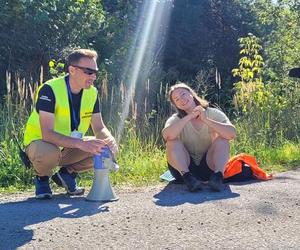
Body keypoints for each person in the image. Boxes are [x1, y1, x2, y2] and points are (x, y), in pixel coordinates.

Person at [23, 49, 118, 199]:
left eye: (95, 72)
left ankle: (67, 174)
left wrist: (109, 139)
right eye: (89, 71)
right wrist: (80, 143)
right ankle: (42, 177)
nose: (93, 76)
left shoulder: (92, 93)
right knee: (48, 153)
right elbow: (47, 133)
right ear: (72, 70)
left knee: (103, 148)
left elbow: (99, 128)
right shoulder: (50, 89)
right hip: (42, 143)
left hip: (69, 146)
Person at [162, 82, 236, 192]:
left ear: (191, 94)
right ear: (176, 105)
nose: (181, 99)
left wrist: (205, 119)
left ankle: (218, 177)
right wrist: (190, 116)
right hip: (184, 171)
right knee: (172, 142)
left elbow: (231, 134)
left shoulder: (213, 113)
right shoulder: (175, 119)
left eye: (183, 94)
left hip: (209, 167)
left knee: (223, 139)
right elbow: (167, 135)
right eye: (176, 99)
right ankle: (189, 179)